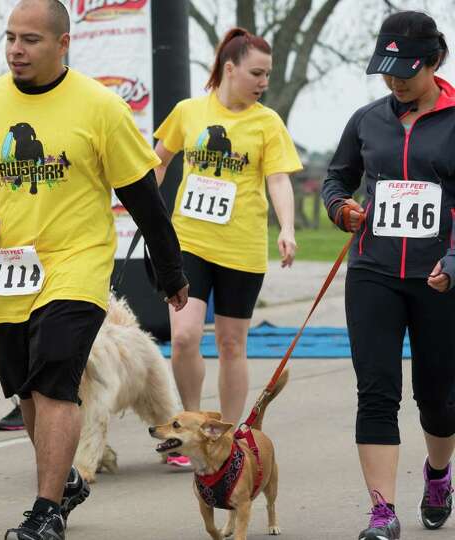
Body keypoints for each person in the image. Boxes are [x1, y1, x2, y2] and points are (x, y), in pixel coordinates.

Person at [0, 2, 188, 538]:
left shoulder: (100, 107)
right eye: (9, 39)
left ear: (63, 43)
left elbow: (143, 198)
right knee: (27, 391)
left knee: (55, 378)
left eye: (30, 40)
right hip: (7, 270)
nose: (16, 50)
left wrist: (170, 272)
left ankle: (46, 509)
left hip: (75, 262)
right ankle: (62, 483)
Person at [321, 11, 455, 540]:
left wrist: (452, 261)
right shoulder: (367, 119)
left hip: (439, 279)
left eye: (405, 70)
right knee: (376, 392)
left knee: (438, 396)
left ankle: (439, 474)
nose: (394, 80)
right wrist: (341, 210)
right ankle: (382, 513)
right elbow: (337, 179)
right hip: (373, 272)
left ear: (436, 61)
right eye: (386, 70)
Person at [152, 27, 301, 467]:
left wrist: (287, 227)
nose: (263, 82)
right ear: (229, 69)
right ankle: (189, 426)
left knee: (233, 344)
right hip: (189, 242)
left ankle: (229, 440)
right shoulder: (188, 111)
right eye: (256, 72)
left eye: (268, 75)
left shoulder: (267, 122)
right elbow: (158, 162)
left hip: (242, 247)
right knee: (183, 337)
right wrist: (145, 214)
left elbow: (278, 179)